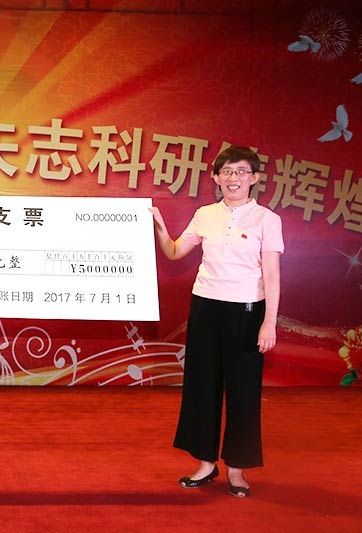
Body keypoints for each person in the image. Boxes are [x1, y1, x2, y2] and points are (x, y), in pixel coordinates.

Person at [150, 146, 283, 498]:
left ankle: (236, 469)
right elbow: (174, 251)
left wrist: (269, 323)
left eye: (241, 171)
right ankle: (206, 463)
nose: (233, 178)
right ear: (215, 177)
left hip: (246, 312)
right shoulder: (204, 214)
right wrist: (160, 228)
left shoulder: (266, 220)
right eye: (226, 171)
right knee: (201, 386)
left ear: (254, 178)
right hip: (205, 308)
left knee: (243, 391)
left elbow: (272, 275)